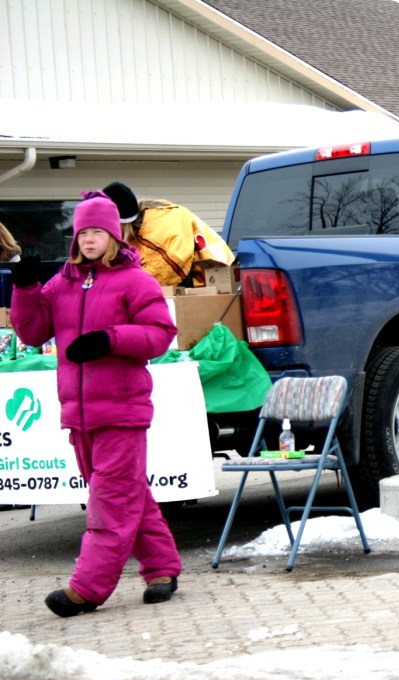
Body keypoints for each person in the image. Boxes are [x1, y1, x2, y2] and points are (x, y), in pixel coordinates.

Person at [10, 190, 181, 617]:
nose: (88, 239)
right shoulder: (62, 282)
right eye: (82, 232)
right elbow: (32, 332)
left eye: (96, 232)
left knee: (110, 502)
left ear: (113, 235)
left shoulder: (136, 281)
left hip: (122, 411)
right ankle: (162, 567)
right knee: (127, 495)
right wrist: (26, 288)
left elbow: (160, 335)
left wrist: (111, 339)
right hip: (79, 414)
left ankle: (87, 588)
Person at [101, 181, 234, 287]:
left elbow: (165, 269)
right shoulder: (139, 229)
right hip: (205, 280)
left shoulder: (158, 225)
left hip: (216, 281)